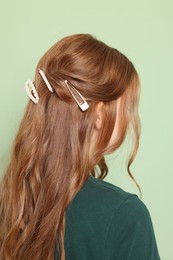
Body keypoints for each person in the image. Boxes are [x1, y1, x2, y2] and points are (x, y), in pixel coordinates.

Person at [0, 34, 160, 260]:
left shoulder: (10, 200)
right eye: (127, 108)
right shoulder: (125, 216)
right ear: (98, 114)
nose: (132, 119)